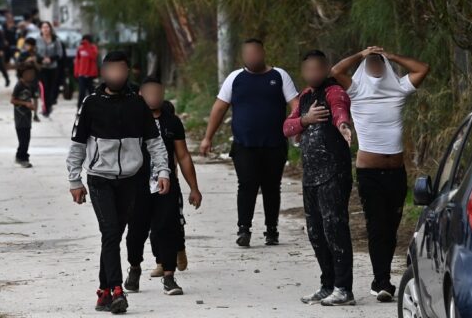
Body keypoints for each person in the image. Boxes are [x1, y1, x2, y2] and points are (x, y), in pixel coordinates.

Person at [65, 51, 171, 314]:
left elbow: (154, 142)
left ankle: (102, 293)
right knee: (111, 232)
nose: (116, 75)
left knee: (113, 235)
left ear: (127, 73)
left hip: (130, 180)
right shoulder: (91, 103)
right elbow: (77, 144)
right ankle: (115, 290)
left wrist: (163, 172)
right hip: (100, 179)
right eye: (111, 70)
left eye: (121, 70)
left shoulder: (138, 104)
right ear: (104, 72)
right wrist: (74, 180)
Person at [330, 47, 429, 302]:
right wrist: (362, 54)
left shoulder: (398, 88)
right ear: (364, 66)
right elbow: (336, 71)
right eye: (371, 63)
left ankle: (381, 278)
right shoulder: (356, 89)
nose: (375, 67)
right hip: (369, 172)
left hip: (395, 171)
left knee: (392, 228)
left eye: (379, 63)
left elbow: (422, 69)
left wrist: (393, 56)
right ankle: (382, 281)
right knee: (376, 226)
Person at [199, 38, 299, 246]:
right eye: (248, 54)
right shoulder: (235, 78)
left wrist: (298, 128)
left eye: (256, 52)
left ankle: (272, 230)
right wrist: (208, 137)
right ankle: (243, 229)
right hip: (244, 144)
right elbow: (219, 108)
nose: (252, 57)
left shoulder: (279, 76)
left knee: (272, 187)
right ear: (243, 57)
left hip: (274, 144)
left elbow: (295, 105)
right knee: (246, 185)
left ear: (263, 53)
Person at [283, 50, 355, 307]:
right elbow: (287, 127)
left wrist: (344, 125)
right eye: (309, 70)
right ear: (303, 73)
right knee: (316, 233)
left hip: (333, 173)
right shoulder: (304, 97)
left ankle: (344, 288)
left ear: (326, 69)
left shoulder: (333, 91)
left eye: (318, 69)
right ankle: (327, 285)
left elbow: (339, 110)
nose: (314, 74)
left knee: (335, 228)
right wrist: (306, 119)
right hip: (311, 175)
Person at [124, 77, 202, 296]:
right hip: (137, 186)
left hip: (166, 185)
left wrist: (194, 188)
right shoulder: (131, 121)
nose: (154, 98)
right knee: (136, 232)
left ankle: (169, 277)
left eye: (158, 93)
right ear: (140, 95)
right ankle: (135, 268)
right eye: (149, 93)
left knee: (166, 230)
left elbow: (183, 156)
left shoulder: (172, 122)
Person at [11, 64, 39, 168]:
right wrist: (25, 104)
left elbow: (35, 99)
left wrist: (35, 113)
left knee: (26, 139)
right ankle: (22, 158)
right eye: (28, 74)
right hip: (19, 117)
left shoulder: (32, 85)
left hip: (27, 117)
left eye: (32, 74)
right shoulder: (19, 85)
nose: (30, 76)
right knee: (23, 140)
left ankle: (21, 156)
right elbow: (12, 100)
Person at [37, 21, 64, 117]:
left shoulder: (56, 40)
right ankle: (45, 109)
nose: (45, 29)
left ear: (50, 28)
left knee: (52, 89)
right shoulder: (38, 40)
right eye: (43, 27)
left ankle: (50, 104)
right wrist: (41, 59)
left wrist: (51, 59)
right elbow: (34, 53)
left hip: (53, 68)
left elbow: (60, 54)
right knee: (44, 88)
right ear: (41, 29)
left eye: (47, 27)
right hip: (42, 68)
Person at [74, 34, 99, 107]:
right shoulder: (80, 48)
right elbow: (77, 61)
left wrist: (87, 46)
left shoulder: (93, 47)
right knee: (82, 92)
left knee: (92, 92)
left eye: (86, 41)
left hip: (91, 74)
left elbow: (94, 57)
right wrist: (76, 72)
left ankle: (94, 107)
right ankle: (79, 108)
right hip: (81, 74)